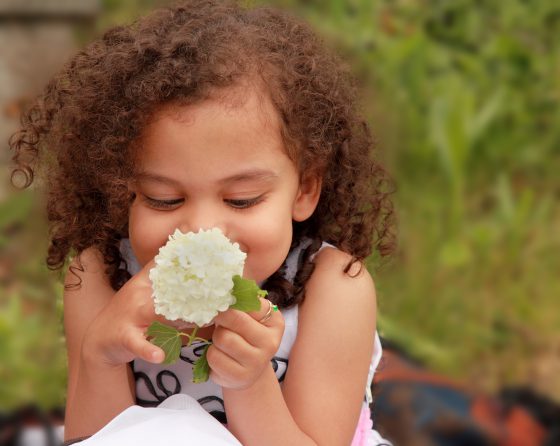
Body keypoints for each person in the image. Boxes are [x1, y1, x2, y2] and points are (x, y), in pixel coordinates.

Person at [9, 0, 395, 444]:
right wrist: (102, 354)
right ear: (125, 187)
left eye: (241, 200)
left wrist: (249, 381)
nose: (201, 230)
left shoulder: (335, 289)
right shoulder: (99, 277)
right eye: (164, 199)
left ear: (305, 189)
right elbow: (97, 440)